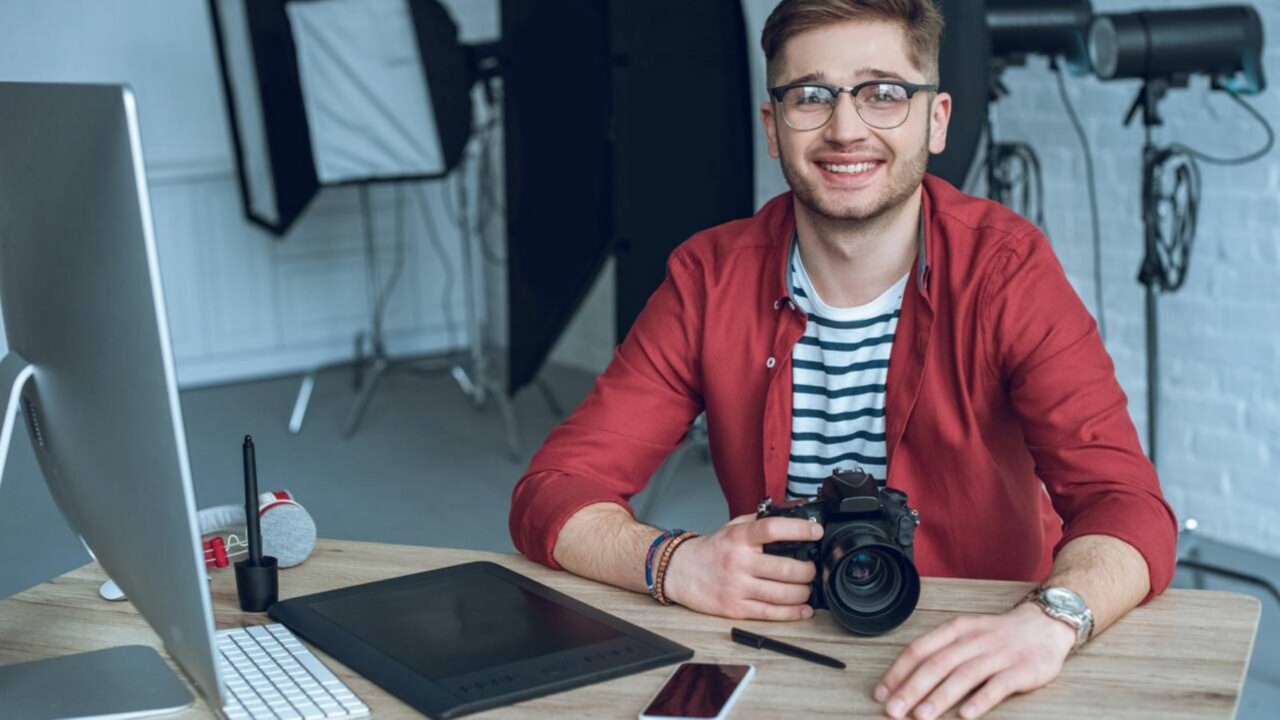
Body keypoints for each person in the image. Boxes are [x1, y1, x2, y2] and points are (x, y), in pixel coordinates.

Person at [509, 1, 1177, 717]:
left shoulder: (1007, 270)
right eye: (810, 96)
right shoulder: (708, 277)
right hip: (784, 646)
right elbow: (553, 489)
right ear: (773, 126)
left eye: (884, 92)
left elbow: (1126, 505)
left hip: (983, 649)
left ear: (938, 119)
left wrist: (1049, 622)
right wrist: (671, 563)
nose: (846, 128)